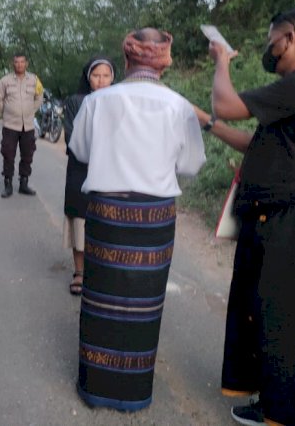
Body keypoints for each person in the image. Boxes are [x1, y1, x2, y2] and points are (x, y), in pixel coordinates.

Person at [195, 7, 295, 426]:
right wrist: (207, 124)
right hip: (281, 216)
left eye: (271, 40)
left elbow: (228, 104)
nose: (269, 49)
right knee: (270, 312)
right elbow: (254, 140)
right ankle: (274, 405)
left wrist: (222, 62)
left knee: (292, 315)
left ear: (291, 35)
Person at [69, 28, 206, 411]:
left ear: (126, 60)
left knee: (101, 297)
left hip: (108, 212)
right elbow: (191, 165)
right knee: (143, 303)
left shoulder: (100, 101)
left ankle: (96, 386)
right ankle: (133, 392)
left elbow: (79, 149)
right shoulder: (179, 106)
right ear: (164, 62)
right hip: (154, 216)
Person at [62, 57, 115, 296]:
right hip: (80, 169)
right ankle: (80, 272)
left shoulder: (119, 101)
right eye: (96, 75)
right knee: (79, 219)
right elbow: (72, 137)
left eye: (106, 75)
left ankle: (102, 271)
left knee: (106, 220)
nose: (101, 80)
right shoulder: (75, 101)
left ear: (113, 78)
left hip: (110, 171)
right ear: (87, 77)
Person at [0, 52, 44, 197]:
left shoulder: (34, 80)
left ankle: (24, 184)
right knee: (8, 154)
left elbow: (39, 96)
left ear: (26, 63)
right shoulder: (5, 81)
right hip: (10, 125)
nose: (19, 64)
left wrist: (31, 111)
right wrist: (6, 114)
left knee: (28, 154)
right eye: (16, 62)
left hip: (27, 125)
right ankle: (8, 184)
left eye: (22, 62)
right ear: (13, 63)